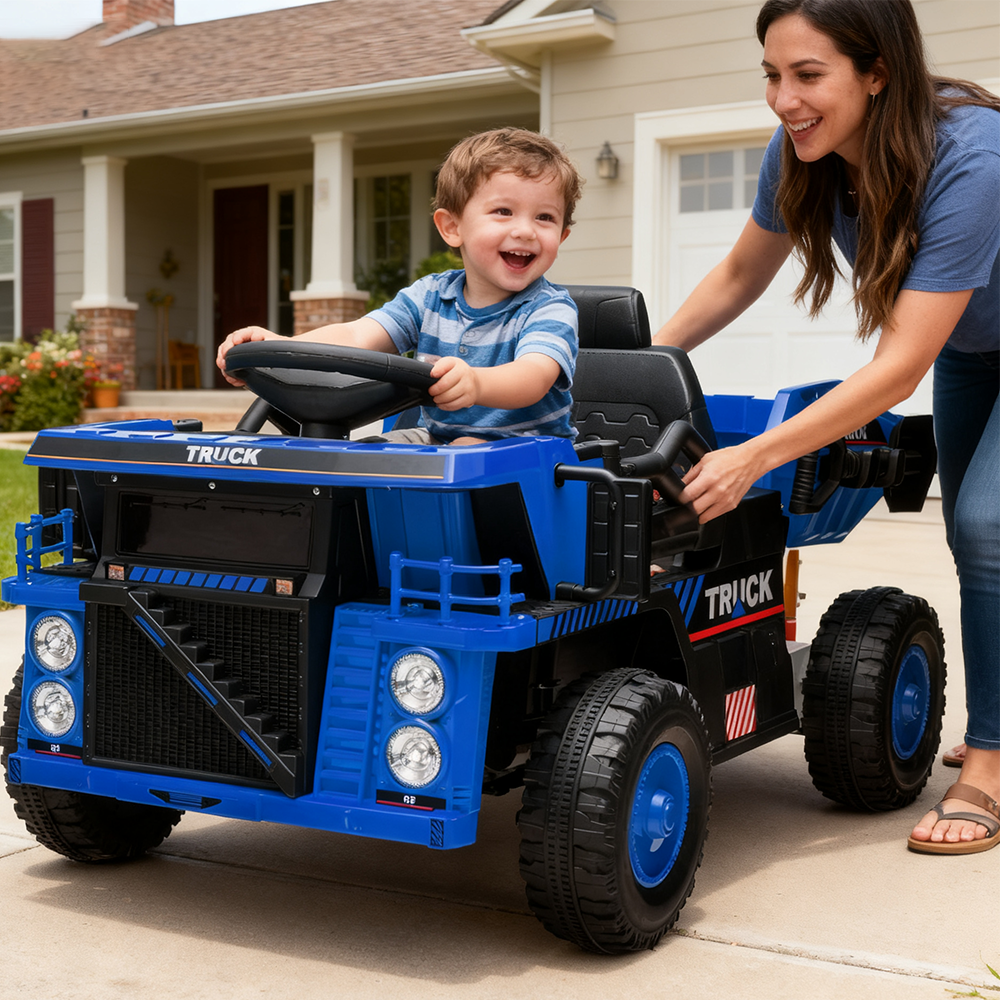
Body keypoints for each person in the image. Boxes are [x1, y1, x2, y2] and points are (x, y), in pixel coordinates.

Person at [653, 0, 999, 854]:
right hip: (971, 346)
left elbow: (897, 367)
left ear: (877, 73)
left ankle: (987, 763)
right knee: (970, 532)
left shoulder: (972, 159)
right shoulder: (804, 151)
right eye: (773, 74)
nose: (783, 99)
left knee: (991, 525)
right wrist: (631, 365)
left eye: (808, 76)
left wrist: (756, 455)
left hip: (942, 346)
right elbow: (740, 273)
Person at [217, 128, 583, 445]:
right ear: (452, 227)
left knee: (465, 450)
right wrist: (280, 346)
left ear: (562, 236)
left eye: (545, 217)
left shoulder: (549, 308)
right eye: (504, 211)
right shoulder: (429, 297)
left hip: (532, 453)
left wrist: (476, 383)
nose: (525, 230)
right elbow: (358, 336)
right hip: (439, 438)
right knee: (359, 455)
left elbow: (533, 377)